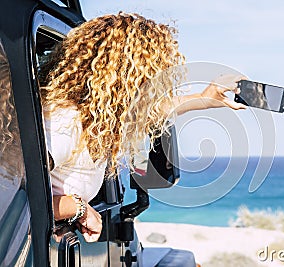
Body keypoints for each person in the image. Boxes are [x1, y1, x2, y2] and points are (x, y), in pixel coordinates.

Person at [40, 13, 246, 242]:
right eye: (151, 78)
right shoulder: (65, 122)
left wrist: (204, 99)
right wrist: (79, 208)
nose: (156, 88)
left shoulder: (96, 119)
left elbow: (151, 111)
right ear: (124, 77)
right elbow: (18, 200)